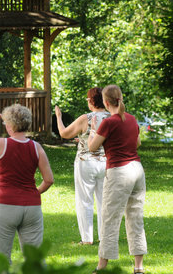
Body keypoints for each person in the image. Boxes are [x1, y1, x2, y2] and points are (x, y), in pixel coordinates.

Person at [0, 104, 54, 263]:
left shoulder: (1, 144)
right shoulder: (36, 147)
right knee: (34, 261)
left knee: (0, 259)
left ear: (10, 125)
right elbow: (49, 179)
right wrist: (35, 192)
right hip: (32, 207)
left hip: (6, 205)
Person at [88, 85, 146, 274]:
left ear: (105, 102)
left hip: (119, 172)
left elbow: (92, 147)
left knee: (110, 218)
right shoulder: (131, 119)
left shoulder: (108, 122)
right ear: (120, 98)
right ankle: (138, 267)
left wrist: (92, 131)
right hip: (137, 170)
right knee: (136, 218)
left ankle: (101, 266)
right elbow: (137, 143)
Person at [55, 87, 110, 245]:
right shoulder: (112, 117)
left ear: (92, 101)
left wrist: (59, 117)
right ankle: (104, 237)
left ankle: (87, 239)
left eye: (88, 98)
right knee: (103, 201)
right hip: (106, 163)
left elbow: (64, 133)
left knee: (84, 200)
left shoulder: (86, 118)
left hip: (85, 162)